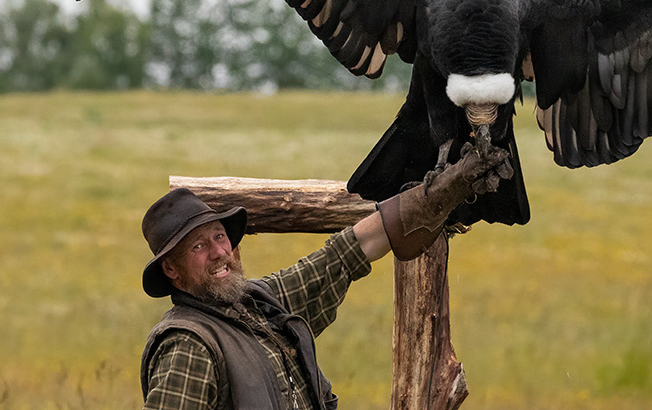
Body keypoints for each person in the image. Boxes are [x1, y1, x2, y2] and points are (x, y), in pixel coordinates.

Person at [140, 145, 510, 409]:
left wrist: (434, 199)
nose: (220, 252)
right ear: (171, 270)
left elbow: (342, 255)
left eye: (220, 236)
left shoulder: (258, 304)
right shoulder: (188, 345)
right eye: (197, 247)